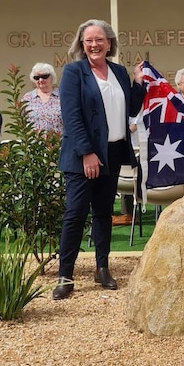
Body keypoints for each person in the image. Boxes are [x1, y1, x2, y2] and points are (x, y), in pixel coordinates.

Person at [53, 19, 145, 301]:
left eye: (99, 39)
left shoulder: (118, 71)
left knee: (104, 213)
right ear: (82, 44)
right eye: (88, 40)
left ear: (109, 43)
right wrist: (87, 153)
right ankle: (65, 275)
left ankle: (102, 267)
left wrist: (139, 83)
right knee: (76, 214)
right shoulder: (73, 72)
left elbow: (131, 107)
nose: (94, 45)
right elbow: (72, 116)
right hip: (84, 157)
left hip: (113, 153)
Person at [22, 62, 63, 134]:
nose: (40, 80)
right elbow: (22, 122)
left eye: (44, 76)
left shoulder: (63, 96)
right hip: (35, 143)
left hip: (59, 143)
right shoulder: (27, 98)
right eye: (37, 78)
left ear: (52, 77)